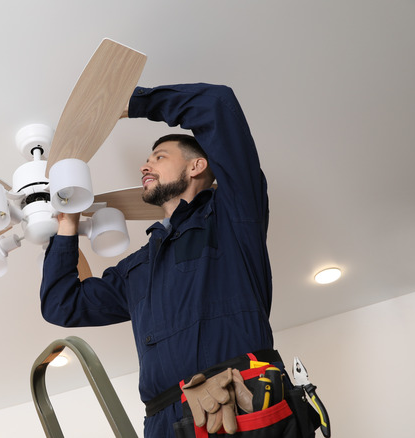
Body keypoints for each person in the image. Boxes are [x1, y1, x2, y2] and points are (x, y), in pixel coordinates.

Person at [40, 83, 282, 437]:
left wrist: (126, 103)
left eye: (159, 157)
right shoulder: (137, 269)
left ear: (198, 166)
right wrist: (67, 224)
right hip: (164, 423)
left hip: (240, 400)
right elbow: (62, 304)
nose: (145, 165)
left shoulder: (232, 217)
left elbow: (217, 103)